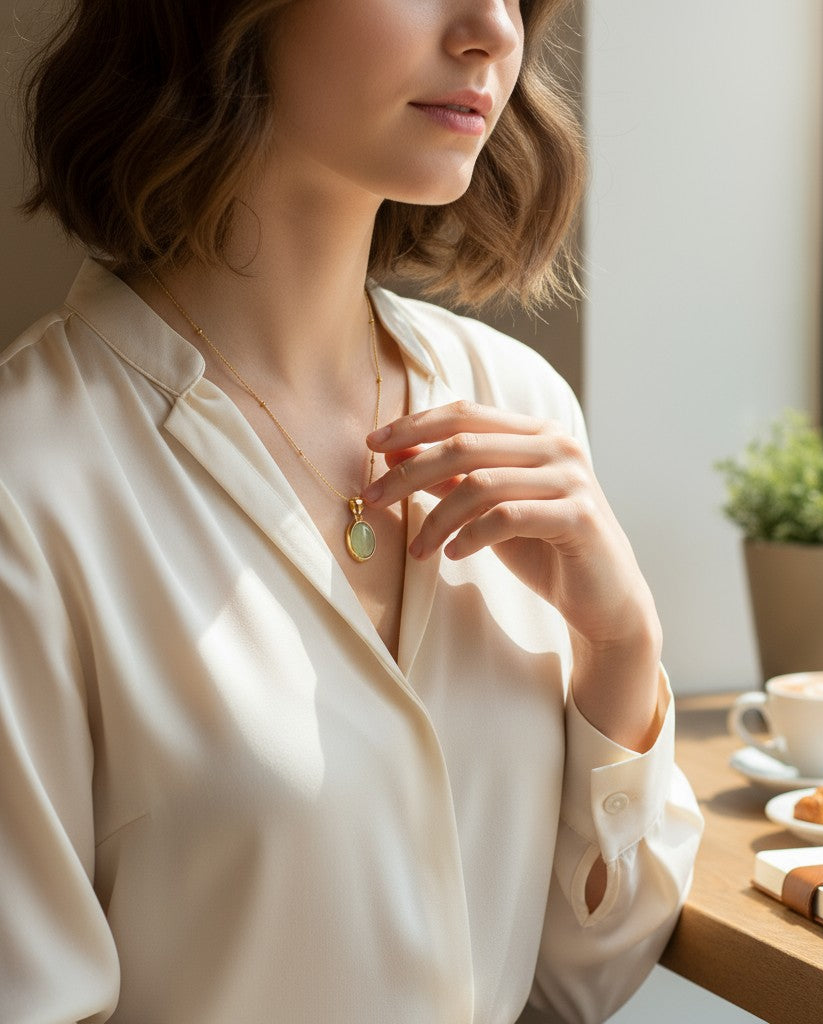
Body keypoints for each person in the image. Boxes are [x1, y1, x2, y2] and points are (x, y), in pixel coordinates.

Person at [0, 2, 703, 1022]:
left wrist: (622, 645)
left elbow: (575, 979)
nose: (491, 32)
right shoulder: (33, 484)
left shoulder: (519, 405)